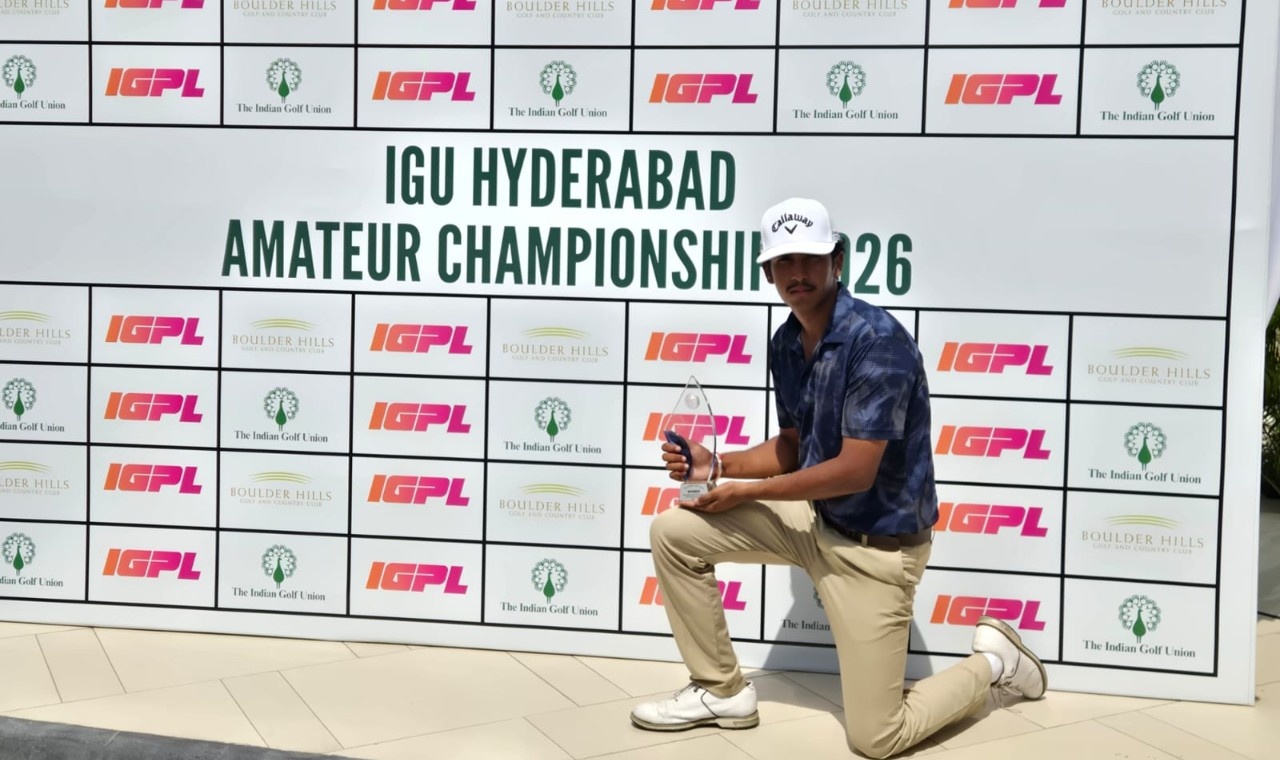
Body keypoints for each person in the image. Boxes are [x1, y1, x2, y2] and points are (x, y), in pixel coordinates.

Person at [629, 198, 1048, 759]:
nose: (797, 273)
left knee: (877, 738)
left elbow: (854, 470)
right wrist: (718, 466)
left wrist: (746, 492)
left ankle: (995, 662)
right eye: (783, 261)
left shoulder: (878, 341)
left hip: (878, 551)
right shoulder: (786, 342)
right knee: (674, 532)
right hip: (813, 522)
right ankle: (720, 690)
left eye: (810, 258)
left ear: (838, 262)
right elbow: (795, 446)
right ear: (768, 272)